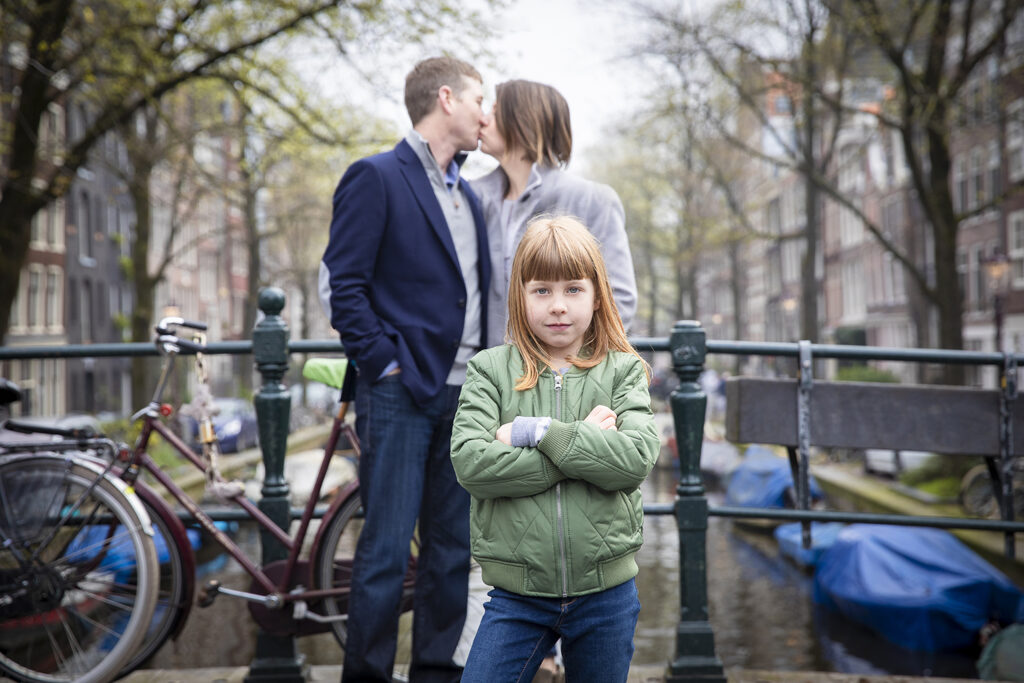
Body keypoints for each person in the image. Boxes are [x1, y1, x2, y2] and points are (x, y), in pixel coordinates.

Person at [322, 55, 490, 683]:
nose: (486, 113)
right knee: (386, 553)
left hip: (465, 396)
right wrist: (383, 364)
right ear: (446, 99)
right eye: (480, 99)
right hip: (398, 393)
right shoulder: (375, 176)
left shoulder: (469, 196)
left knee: (452, 554)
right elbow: (347, 286)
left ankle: (435, 676)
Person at [450, 216, 659, 682]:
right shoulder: (489, 371)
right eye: (541, 290)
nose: (558, 306)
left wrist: (539, 432)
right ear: (520, 297)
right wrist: (584, 447)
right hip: (516, 593)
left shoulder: (622, 372)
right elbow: (471, 464)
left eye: (573, 289)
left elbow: (635, 461)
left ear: (596, 294)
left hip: (606, 591)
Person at [471, 79, 638, 346]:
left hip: (563, 377)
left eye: (494, 111)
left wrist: (571, 369)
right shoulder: (473, 199)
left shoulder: (593, 200)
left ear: (521, 120)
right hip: (491, 378)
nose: (482, 119)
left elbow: (619, 300)